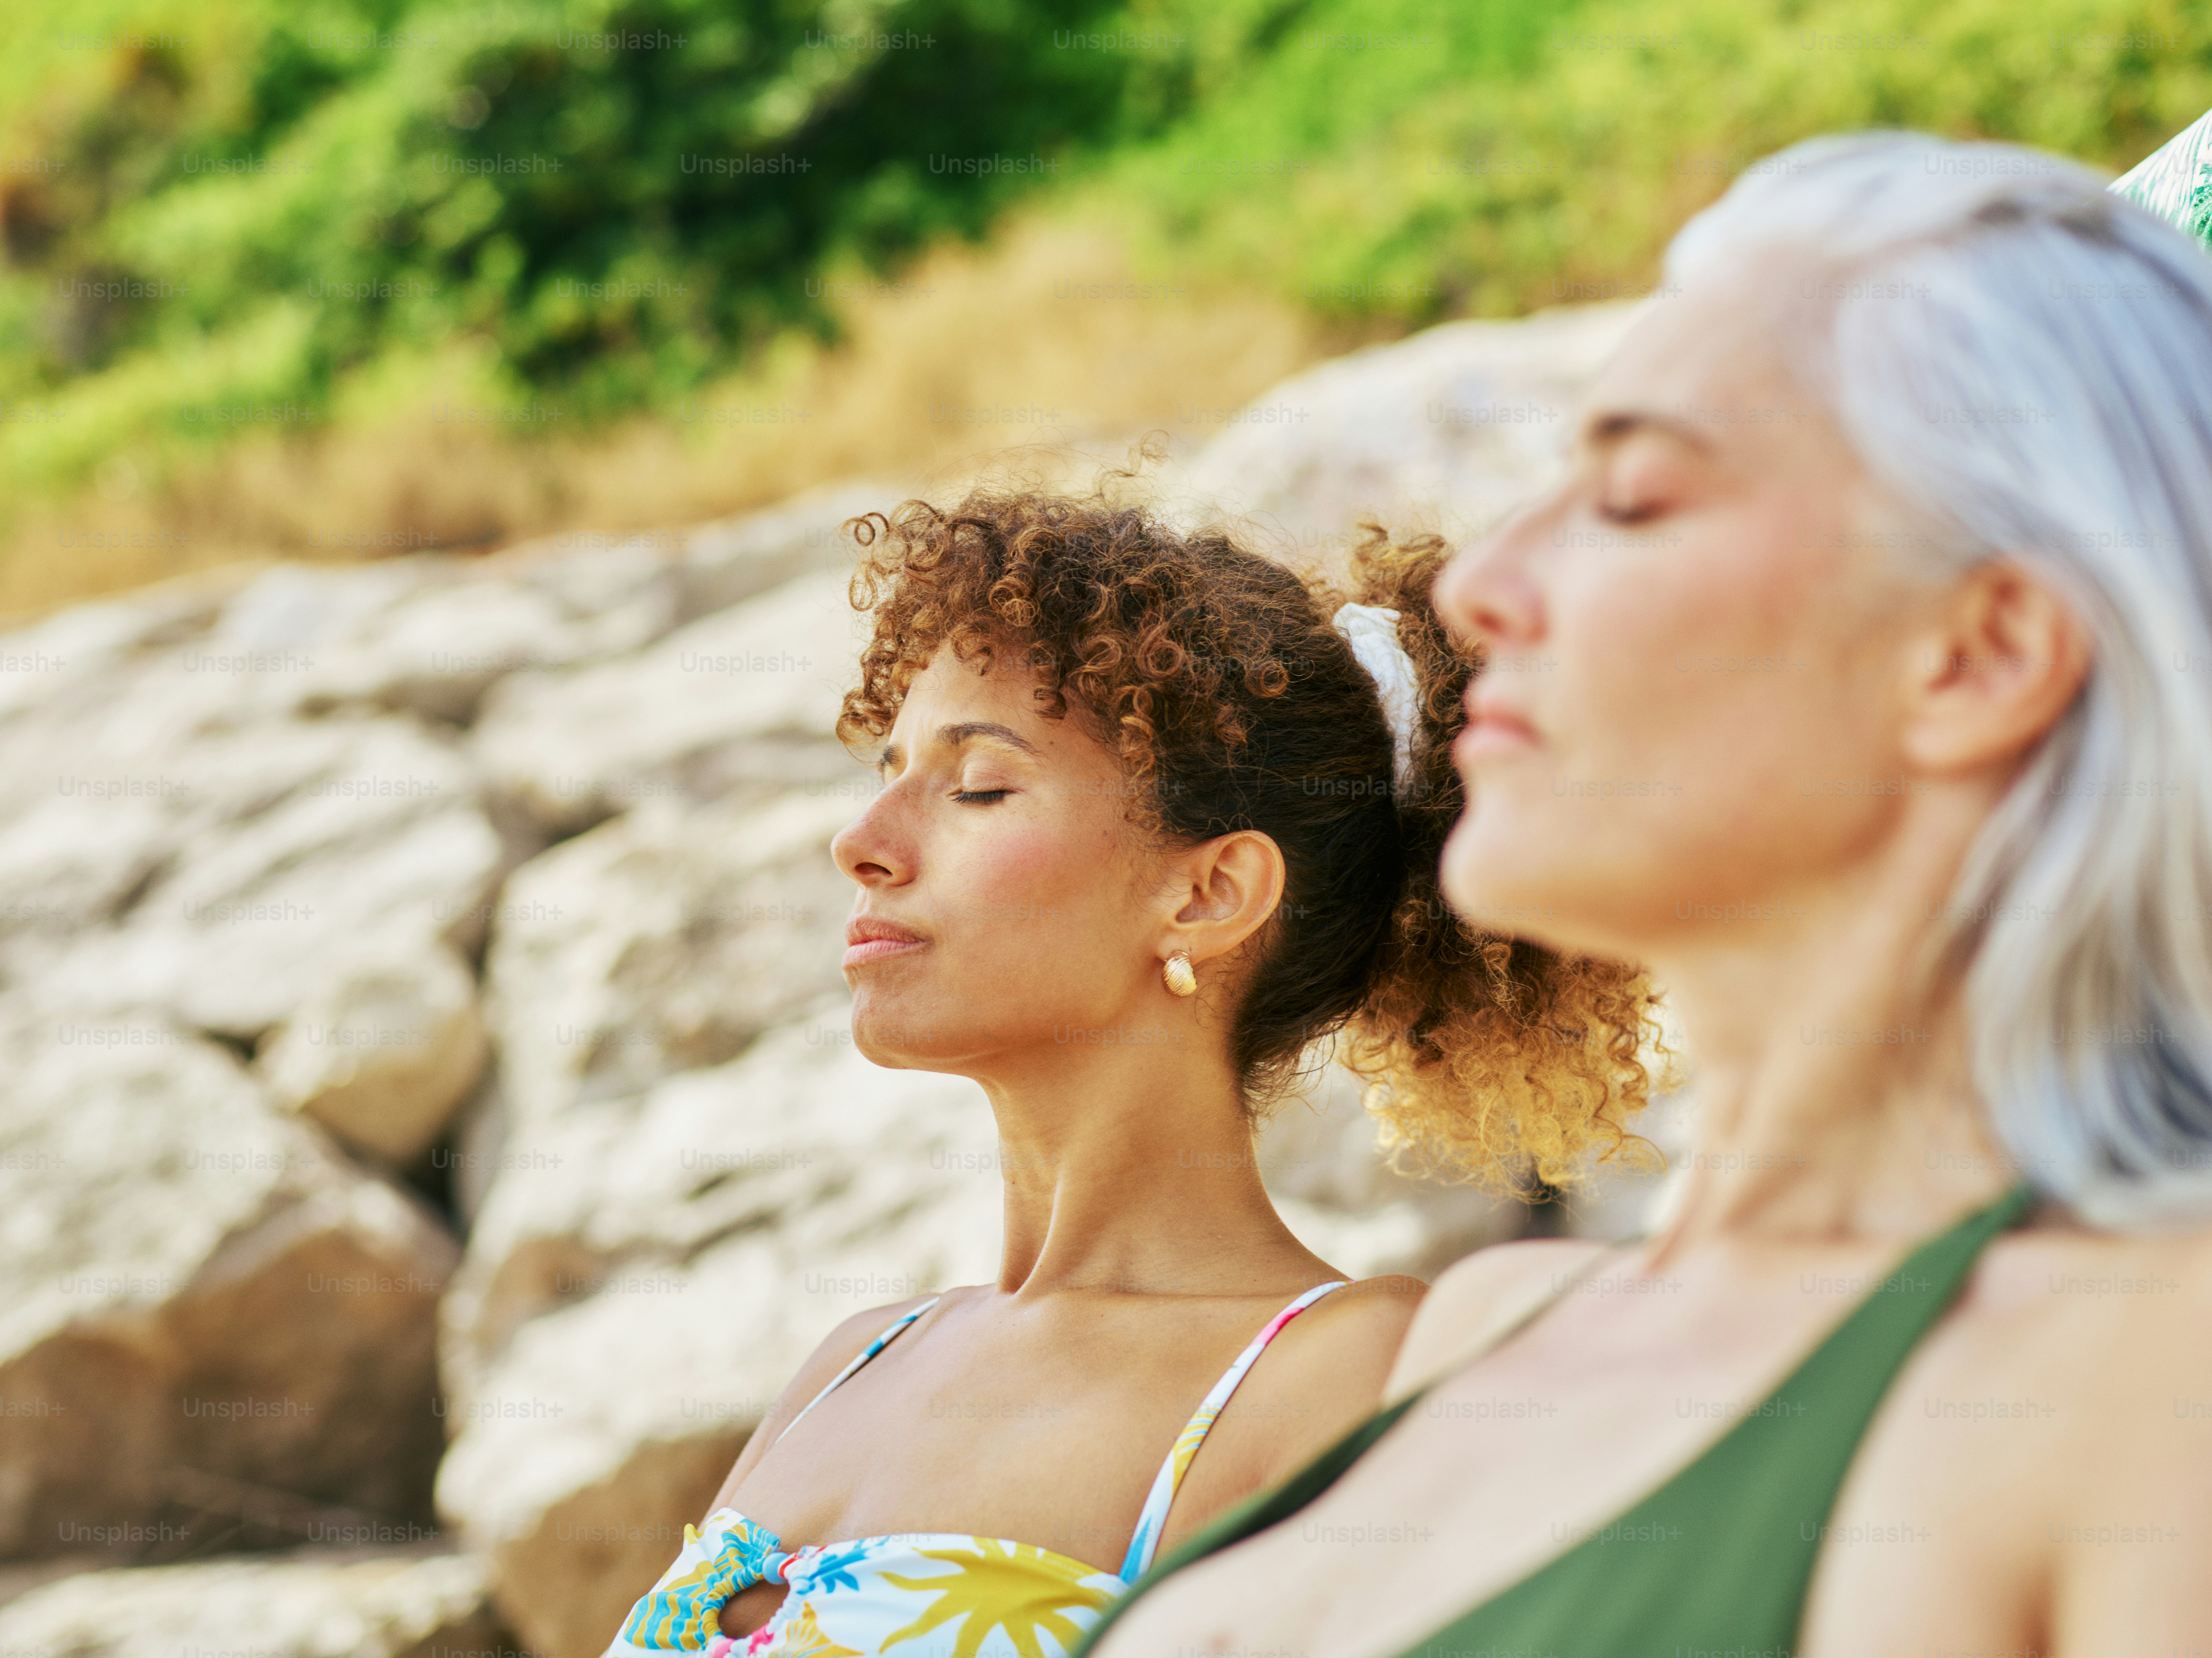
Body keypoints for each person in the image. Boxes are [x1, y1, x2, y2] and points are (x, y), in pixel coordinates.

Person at [1077, 129, 2212, 1657]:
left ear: (1977, 654)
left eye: (1630, 495)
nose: (1477, 587)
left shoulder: (2139, 1378)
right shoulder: (1484, 1337)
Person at [605, 486, 1662, 1656]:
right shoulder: (853, 1360)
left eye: (977, 787)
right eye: (891, 766)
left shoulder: (1337, 1374)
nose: (862, 840)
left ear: (1207, 894)